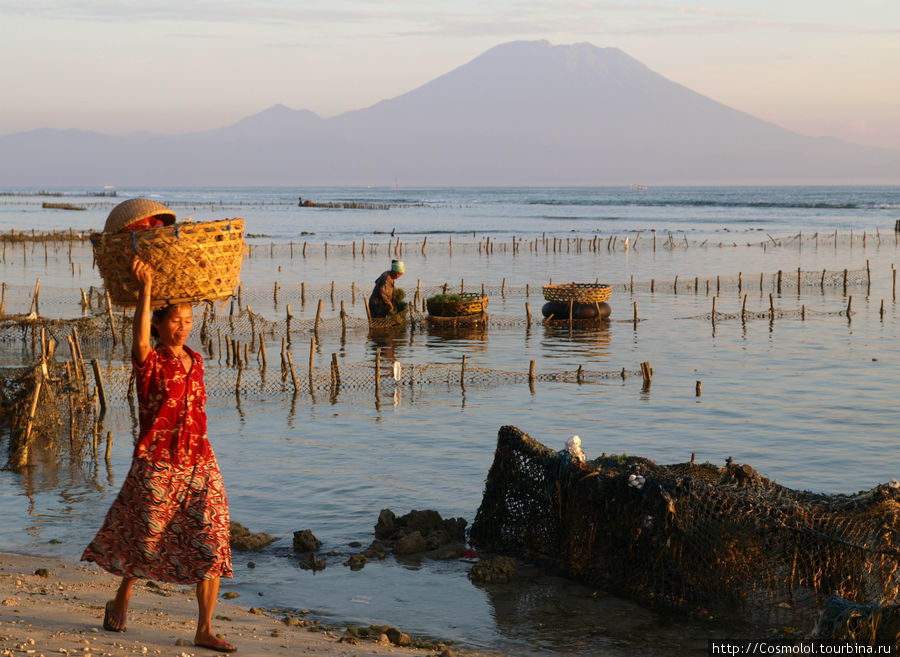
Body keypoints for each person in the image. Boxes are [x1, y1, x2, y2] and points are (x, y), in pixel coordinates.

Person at [81, 259, 236, 653]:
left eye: (187, 319)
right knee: (146, 539)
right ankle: (122, 594)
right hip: (158, 464)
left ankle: (204, 629)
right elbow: (139, 337)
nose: (182, 327)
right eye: (174, 320)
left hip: (201, 462)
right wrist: (146, 288)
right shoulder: (149, 361)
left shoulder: (197, 361)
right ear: (159, 323)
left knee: (212, 539)